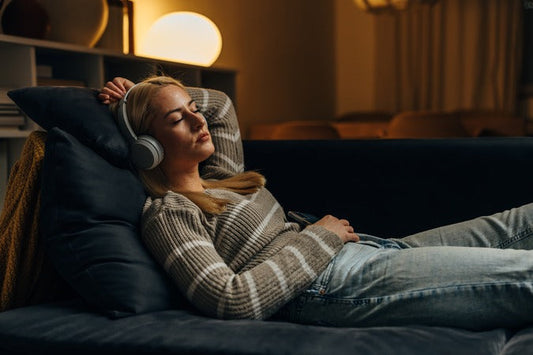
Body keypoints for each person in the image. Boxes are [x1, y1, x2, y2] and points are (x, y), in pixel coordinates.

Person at [99, 76, 533, 331]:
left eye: (192, 109)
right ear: (146, 146)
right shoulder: (170, 213)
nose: (198, 120)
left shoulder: (218, 176)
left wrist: (144, 91)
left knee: (524, 219)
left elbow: (221, 106)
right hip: (326, 283)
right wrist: (318, 238)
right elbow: (232, 301)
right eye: (177, 119)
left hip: (363, 250)